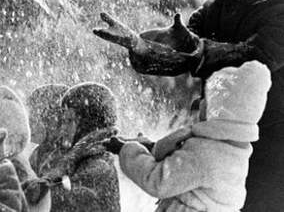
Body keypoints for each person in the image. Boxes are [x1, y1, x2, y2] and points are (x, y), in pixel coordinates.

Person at [94, 0, 284, 211]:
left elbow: (253, 57)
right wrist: (143, 47)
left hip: (270, 143)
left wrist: (199, 50)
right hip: (218, 133)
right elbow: (184, 48)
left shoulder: (280, 13)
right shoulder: (215, 8)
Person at [107, 61, 271, 212]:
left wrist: (127, 150)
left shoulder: (205, 154)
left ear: (221, 111)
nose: (199, 104)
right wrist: (151, 148)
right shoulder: (230, 149)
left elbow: (158, 181)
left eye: (207, 100)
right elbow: (182, 163)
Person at [24, 83, 120, 212]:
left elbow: (69, 198)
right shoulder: (79, 158)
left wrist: (27, 195)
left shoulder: (99, 165)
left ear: (86, 125)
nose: (63, 128)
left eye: (69, 121)